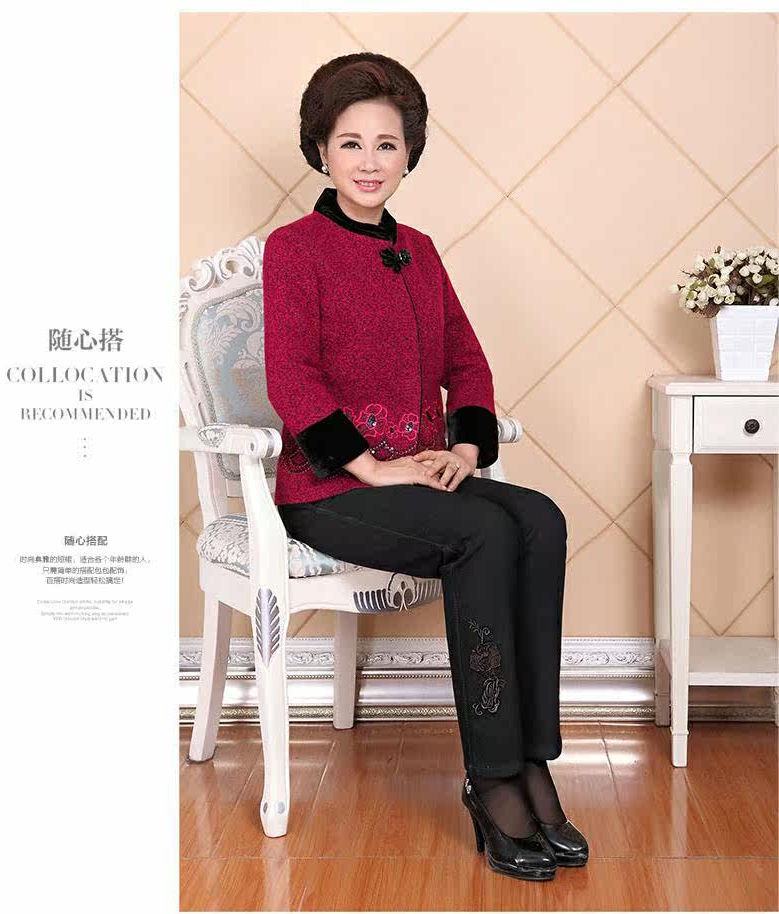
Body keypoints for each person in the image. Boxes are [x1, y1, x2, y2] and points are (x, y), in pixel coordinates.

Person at [262, 52, 588, 881]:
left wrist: (466, 448)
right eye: (350, 144)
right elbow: (290, 377)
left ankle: (532, 759)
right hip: (329, 489)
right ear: (321, 151)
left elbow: (467, 361)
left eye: (387, 144)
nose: (369, 162)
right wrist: (372, 467)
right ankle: (493, 778)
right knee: (485, 531)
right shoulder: (294, 250)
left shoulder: (422, 250)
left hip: (419, 479)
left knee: (540, 518)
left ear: (410, 153)